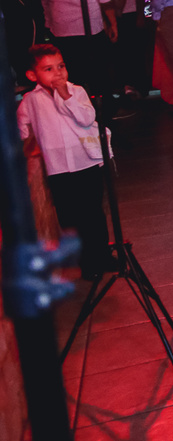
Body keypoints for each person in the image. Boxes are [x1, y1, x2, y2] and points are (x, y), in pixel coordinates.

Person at [18, 44, 117, 278]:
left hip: (85, 162)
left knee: (92, 212)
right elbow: (21, 128)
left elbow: (87, 118)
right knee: (69, 216)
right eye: (49, 69)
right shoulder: (30, 101)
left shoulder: (76, 91)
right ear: (32, 75)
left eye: (61, 66)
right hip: (58, 167)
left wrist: (66, 96)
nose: (58, 73)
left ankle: (101, 256)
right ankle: (85, 260)